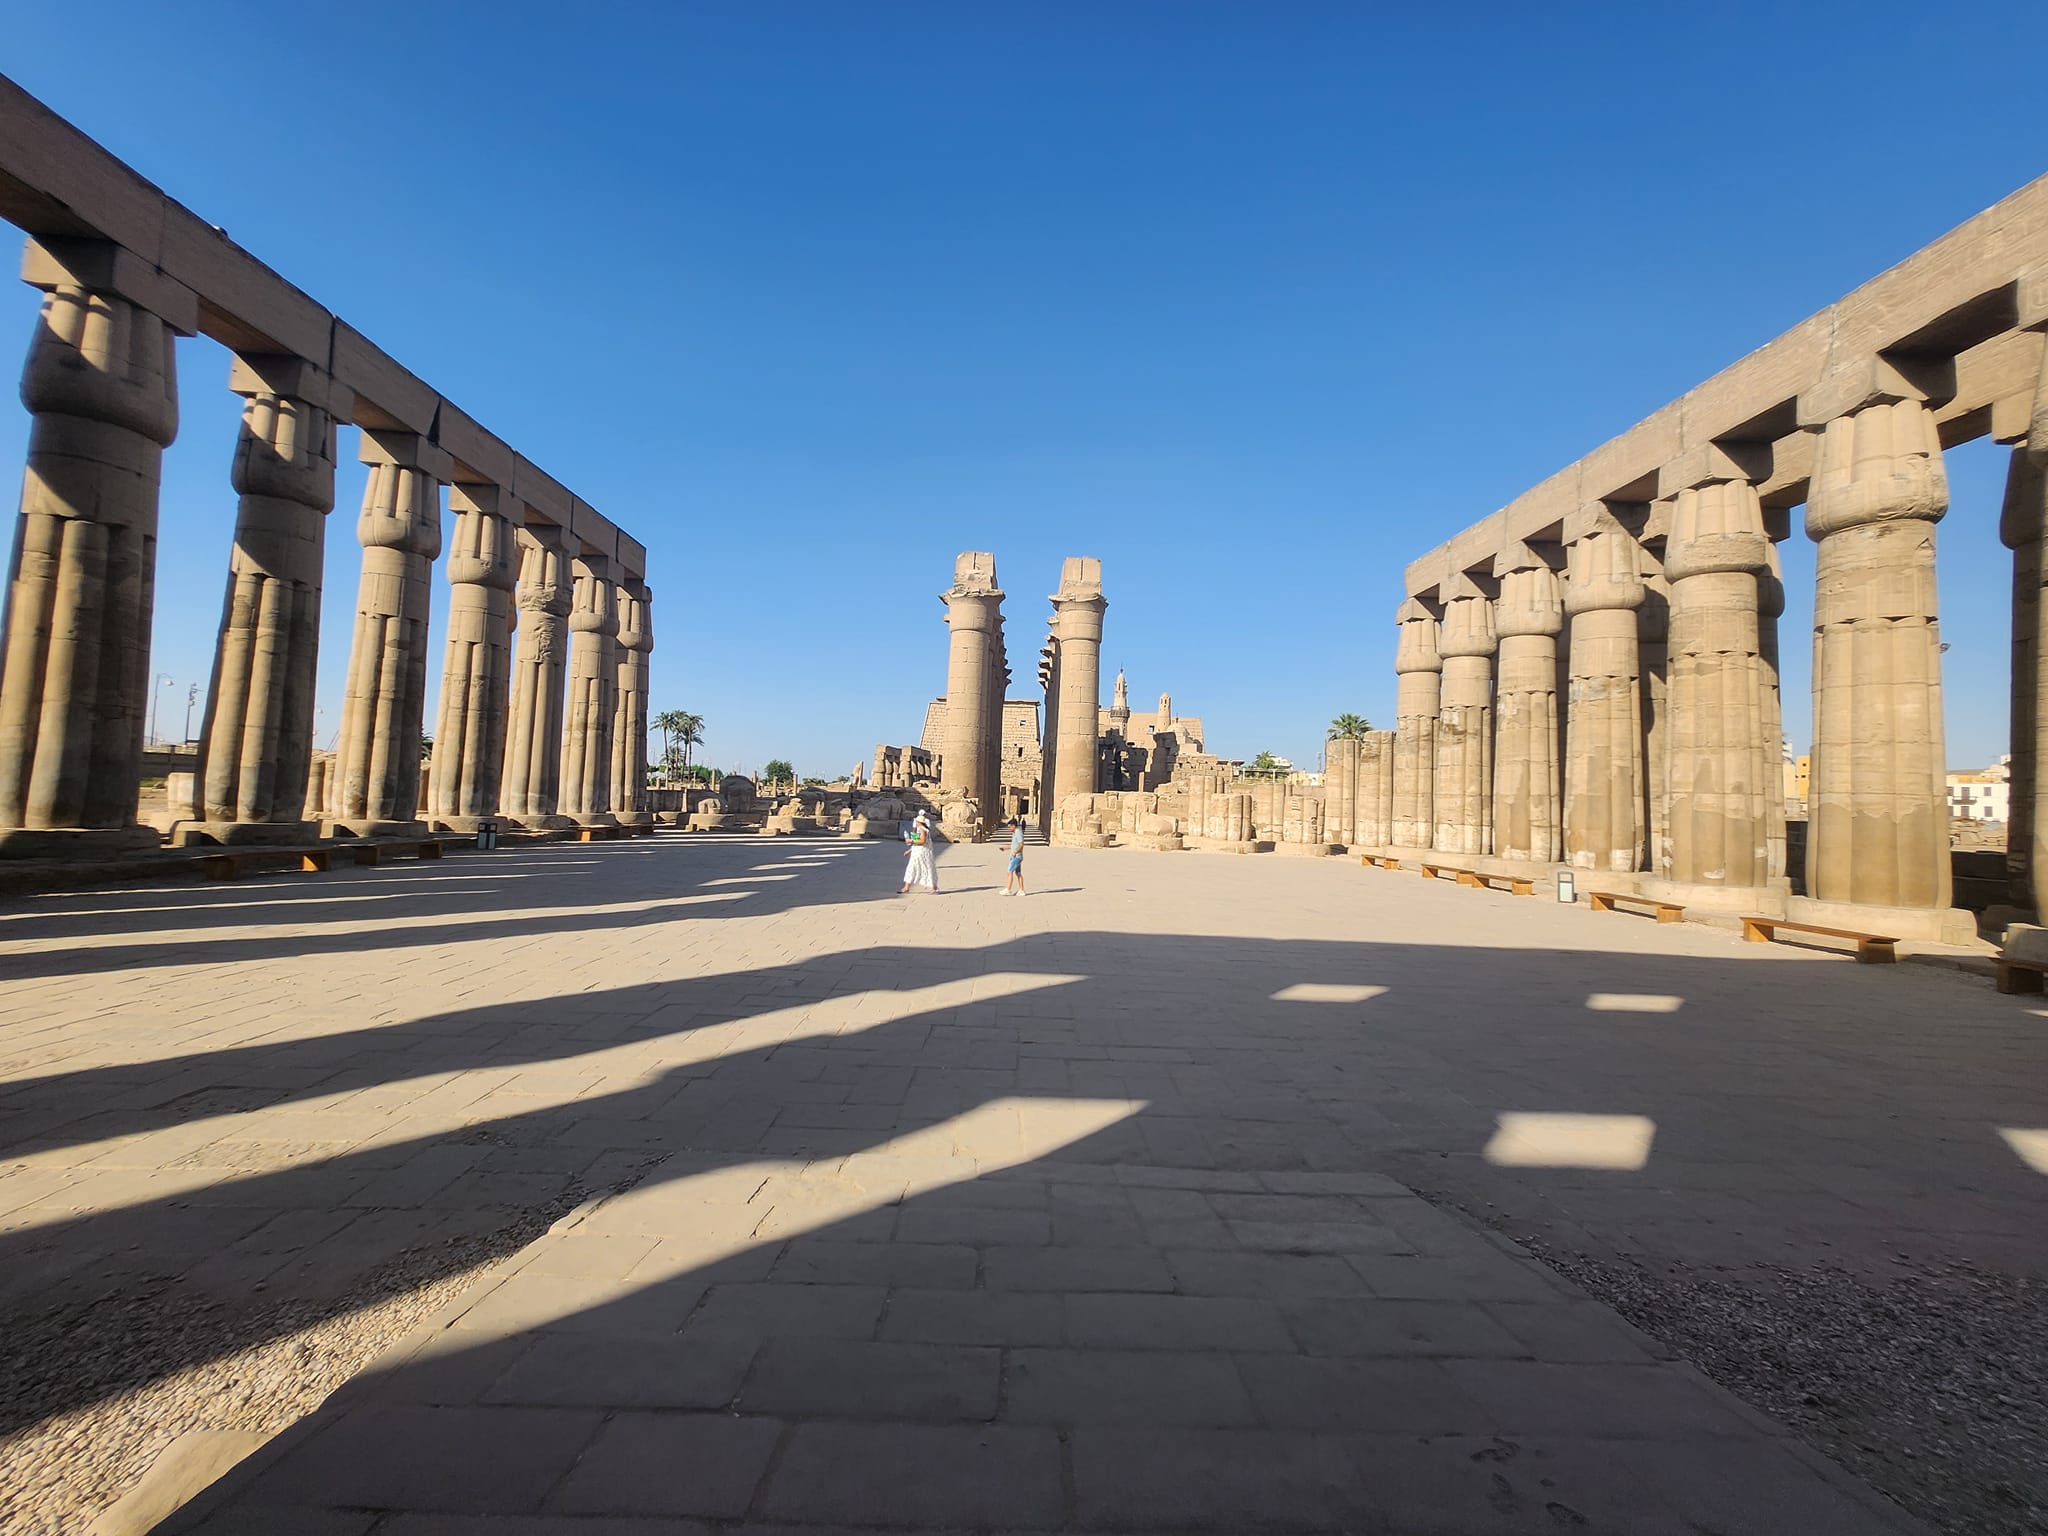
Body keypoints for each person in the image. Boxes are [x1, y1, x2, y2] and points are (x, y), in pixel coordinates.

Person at [901, 809, 938, 894]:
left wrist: (910, 841)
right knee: (917, 868)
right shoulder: (923, 829)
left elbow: (922, 841)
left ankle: (934, 888)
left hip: (921, 853)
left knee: (921, 868)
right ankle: (906, 887)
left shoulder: (922, 829)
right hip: (919, 852)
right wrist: (909, 850)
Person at [1003, 815, 1026, 896]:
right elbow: (1014, 845)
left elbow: (1021, 844)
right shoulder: (1015, 833)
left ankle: (1008, 889)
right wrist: (1005, 848)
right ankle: (1021, 890)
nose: (1009, 829)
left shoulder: (1018, 833)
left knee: (1009, 871)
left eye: (1010, 827)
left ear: (1013, 826)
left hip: (1017, 857)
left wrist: (1015, 852)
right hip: (1016, 856)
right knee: (1018, 873)